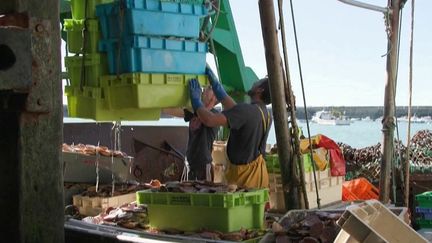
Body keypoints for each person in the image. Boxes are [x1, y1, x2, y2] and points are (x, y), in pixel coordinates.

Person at [188, 67, 272, 189]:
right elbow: (235, 110)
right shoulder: (264, 112)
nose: (253, 83)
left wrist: (196, 101)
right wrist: (217, 88)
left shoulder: (247, 111)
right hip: (258, 176)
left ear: (259, 90)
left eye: (256, 83)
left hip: (244, 179)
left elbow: (209, 120)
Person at [162, 86, 219, 181]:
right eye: (204, 87)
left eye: (209, 88)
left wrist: (211, 103)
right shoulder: (195, 111)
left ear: (215, 95)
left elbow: (201, 119)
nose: (204, 89)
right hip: (189, 163)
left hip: (203, 165)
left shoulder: (215, 114)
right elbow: (168, 110)